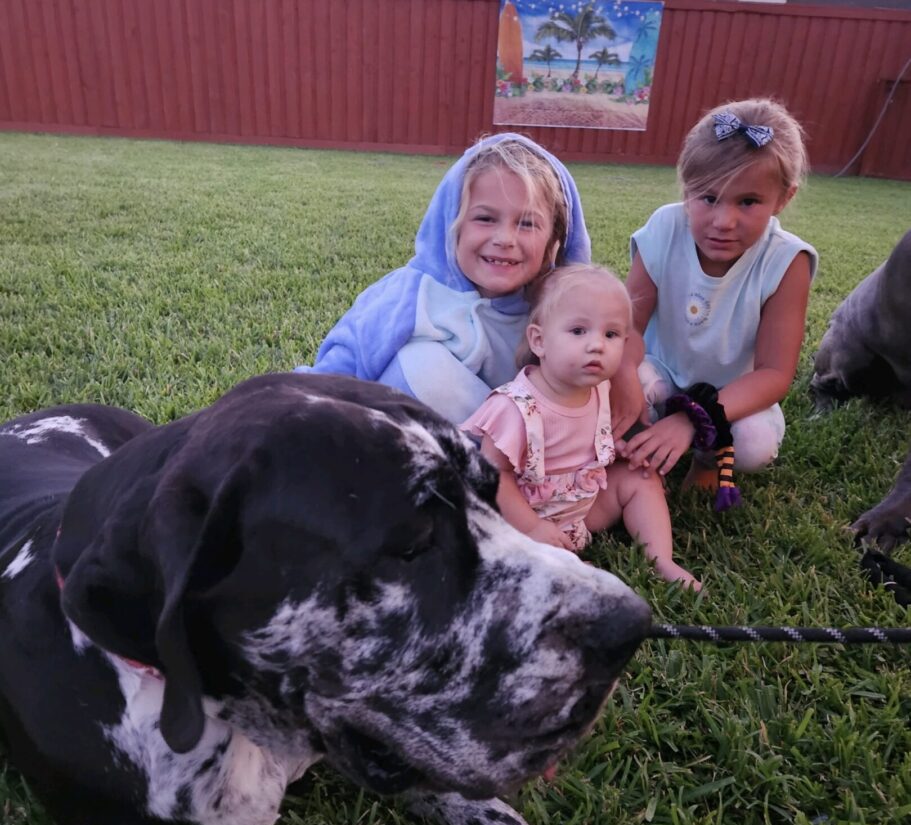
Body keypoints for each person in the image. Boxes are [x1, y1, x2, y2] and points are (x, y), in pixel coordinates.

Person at [300, 133, 591, 425]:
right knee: (421, 365)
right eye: (485, 219)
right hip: (404, 443)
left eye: (527, 223)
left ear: (554, 238)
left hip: (528, 448)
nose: (504, 239)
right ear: (452, 224)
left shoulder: (558, 312)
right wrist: (304, 412)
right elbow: (342, 364)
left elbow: (599, 376)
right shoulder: (411, 294)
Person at [613, 98, 818, 508]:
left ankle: (707, 458)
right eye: (708, 197)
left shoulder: (786, 260)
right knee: (609, 393)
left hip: (734, 393)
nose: (724, 221)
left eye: (747, 202)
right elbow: (627, 328)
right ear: (686, 189)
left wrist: (695, 419)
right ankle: (634, 442)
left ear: (783, 198)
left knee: (754, 445)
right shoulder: (665, 229)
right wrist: (626, 390)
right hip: (663, 375)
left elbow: (775, 373)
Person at [462, 265, 700, 589]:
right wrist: (532, 527)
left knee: (640, 478)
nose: (597, 345)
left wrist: (615, 451)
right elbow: (492, 475)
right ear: (539, 340)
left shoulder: (600, 390)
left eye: (611, 334)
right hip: (521, 518)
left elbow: (586, 444)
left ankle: (662, 560)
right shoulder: (516, 407)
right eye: (578, 331)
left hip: (581, 509)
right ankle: (558, 566)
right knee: (504, 549)